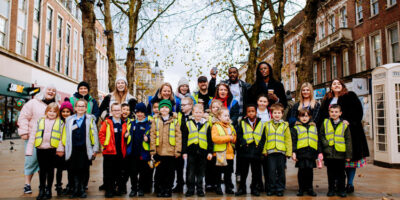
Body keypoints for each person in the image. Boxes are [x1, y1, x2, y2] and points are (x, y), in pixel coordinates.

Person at [317, 79, 369, 193]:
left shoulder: (350, 95)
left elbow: (358, 111)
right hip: (332, 134)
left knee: (351, 160)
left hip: (350, 132)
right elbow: (322, 114)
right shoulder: (327, 99)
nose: (336, 85)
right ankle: (337, 184)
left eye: (338, 83)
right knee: (336, 162)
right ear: (331, 87)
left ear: (342, 85)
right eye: (334, 84)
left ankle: (349, 184)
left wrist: (349, 121)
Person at [18, 85, 59, 194]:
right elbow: (23, 117)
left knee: (45, 164)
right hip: (33, 138)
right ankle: (27, 184)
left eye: (53, 90)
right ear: (44, 91)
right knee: (31, 161)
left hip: (49, 142)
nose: (51, 92)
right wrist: (24, 132)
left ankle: (44, 186)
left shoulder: (56, 105)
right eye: (49, 89)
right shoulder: (33, 103)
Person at [56, 99, 99, 198]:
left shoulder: (90, 119)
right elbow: (65, 135)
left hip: (84, 149)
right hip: (73, 149)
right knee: (73, 169)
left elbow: (94, 134)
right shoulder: (69, 120)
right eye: (78, 106)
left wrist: (95, 149)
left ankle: (82, 188)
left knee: (83, 169)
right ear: (75, 108)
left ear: (86, 108)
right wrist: (62, 147)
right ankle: (75, 189)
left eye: (83, 106)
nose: (80, 108)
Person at [26, 103, 63, 200]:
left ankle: (49, 190)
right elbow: (33, 136)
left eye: (54, 112)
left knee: (50, 171)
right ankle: (41, 189)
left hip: (52, 150)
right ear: (46, 111)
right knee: (42, 170)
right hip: (40, 149)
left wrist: (60, 150)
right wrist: (29, 150)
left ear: (57, 113)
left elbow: (60, 138)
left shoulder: (60, 123)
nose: (51, 113)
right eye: (50, 111)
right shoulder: (39, 121)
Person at [150, 99, 182, 198]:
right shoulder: (155, 121)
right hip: (159, 152)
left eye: (166, 107)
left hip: (170, 152)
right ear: (159, 109)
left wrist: (177, 150)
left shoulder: (175, 121)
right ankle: (160, 189)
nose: (164, 109)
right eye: (162, 107)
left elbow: (178, 136)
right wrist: (152, 150)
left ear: (170, 109)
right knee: (160, 172)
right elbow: (153, 135)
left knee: (170, 173)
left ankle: (168, 189)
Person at [319, 104, 352, 197]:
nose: (334, 113)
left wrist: (348, 155)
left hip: (340, 154)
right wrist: (325, 144)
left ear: (340, 113)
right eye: (332, 112)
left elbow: (348, 140)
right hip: (329, 153)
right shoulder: (325, 123)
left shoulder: (344, 125)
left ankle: (341, 190)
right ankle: (331, 189)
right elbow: (321, 135)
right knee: (330, 173)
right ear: (329, 113)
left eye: (336, 112)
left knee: (341, 174)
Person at [181, 104, 213, 197]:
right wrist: (184, 152)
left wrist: (210, 152)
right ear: (193, 113)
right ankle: (190, 189)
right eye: (196, 112)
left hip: (203, 152)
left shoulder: (207, 124)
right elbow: (184, 138)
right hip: (191, 152)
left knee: (201, 172)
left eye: (200, 112)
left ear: (203, 113)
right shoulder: (188, 123)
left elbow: (209, 139)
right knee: (190, 171)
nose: (198, 114)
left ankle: (199, 189)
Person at [235, 104, 266, 196]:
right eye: (249, 111)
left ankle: (254, 188)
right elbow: (239, 135)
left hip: (256, 150)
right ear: (246, 113)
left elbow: (263, 137)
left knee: (256, 172)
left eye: (253, 111)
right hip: (245, 150)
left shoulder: (261, 123)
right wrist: (244, 144)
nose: (251, 113)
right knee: (243, 171)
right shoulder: (242, 122)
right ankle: (242, 188)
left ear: (256, 112)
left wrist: (260, 147)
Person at [262, 103, 292, 196]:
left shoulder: (285, 125)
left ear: (282, 114)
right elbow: (265, 138)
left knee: (281, 172)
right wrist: (264, 150)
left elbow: (288, 139)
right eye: (275, 113)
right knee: (271, 171)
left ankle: (280, 188)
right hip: (270, 152)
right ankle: (271, 188)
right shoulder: (267, 125)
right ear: (271, 114)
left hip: (281, 152)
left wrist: (289, 152)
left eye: (279, 113)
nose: (277, 115)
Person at [99, 103, 128, 198]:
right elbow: (101, 135)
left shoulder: (124, 123)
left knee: (118, 172)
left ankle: (117, 189)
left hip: (120, 152)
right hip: (109, 152)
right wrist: (106, 146)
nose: (117, 112)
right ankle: (109, 189)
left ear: (121, 111)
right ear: (111, 111)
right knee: (108, 173)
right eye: (114, 110)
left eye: (118, 110)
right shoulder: (107, 122)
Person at [291, 108, 321, 197]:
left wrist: (319, 152)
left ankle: (310, 188)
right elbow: (293, 140)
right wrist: (294, 152)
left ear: (310, 117)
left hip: (311, 152)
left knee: (309, 171)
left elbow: (317, 140)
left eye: (306, 116)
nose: (304, 118)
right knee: (301, 171)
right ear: (298, 117)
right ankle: (301, 189)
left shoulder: (314, 127)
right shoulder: (295, 128)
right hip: (301, 153)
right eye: (302, 116)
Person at [125, 103, 152, 197]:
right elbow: (126, 135)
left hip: (143, 153)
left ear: (145, 113)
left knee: (143, 173)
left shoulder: (149, 124)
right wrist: (126, 136)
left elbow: (154, 137)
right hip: (132, 153)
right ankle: (133, 189)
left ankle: (141, 189)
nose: (139, 114)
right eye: (138, 112)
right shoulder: (131, 123)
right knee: (133, 172)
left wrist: (148, 139)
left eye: (142, 112)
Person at [212, 107, 236, 195]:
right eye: (225, 115)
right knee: (218, 172)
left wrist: (233, 139)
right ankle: (218, 187)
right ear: (219, 116)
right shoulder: (215, 126)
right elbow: (215, 138)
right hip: (219, 154)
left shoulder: (231, 126)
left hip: (229, 153)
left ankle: (228, 188)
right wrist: (228, 138)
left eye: (228, 115)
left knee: (228, 172)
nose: (227, 117)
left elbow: (234, 136)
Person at [173, 97, 194, 193]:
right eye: (181, 105)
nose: (181, 107)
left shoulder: (195, 115)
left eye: (184, 105)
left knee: (191, 167)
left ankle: (191, 186)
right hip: (180, 144)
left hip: (191, 144)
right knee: (178, 166)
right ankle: (179, 184)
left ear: (190, 105)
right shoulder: (179, 116)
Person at [204, 99, 223, 192]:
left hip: (219, 145)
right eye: (213, 107)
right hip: (209, 144)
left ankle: (216, 183)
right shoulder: (207, 117)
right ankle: (208, 183)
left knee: (217, 166)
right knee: (209, 165)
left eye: (217, 107)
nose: (215, 109)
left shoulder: (222, 117)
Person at [56, 99, 73, 196]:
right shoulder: (58, 123)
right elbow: (57, 137)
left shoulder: (73, 122)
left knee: (70, 169)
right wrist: (60, 149)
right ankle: (58, 186)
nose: (65, 113)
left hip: (70, 150)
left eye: (68, 111)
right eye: (63, 111)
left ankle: (70, 186)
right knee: (59, 169)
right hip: (61, 150)